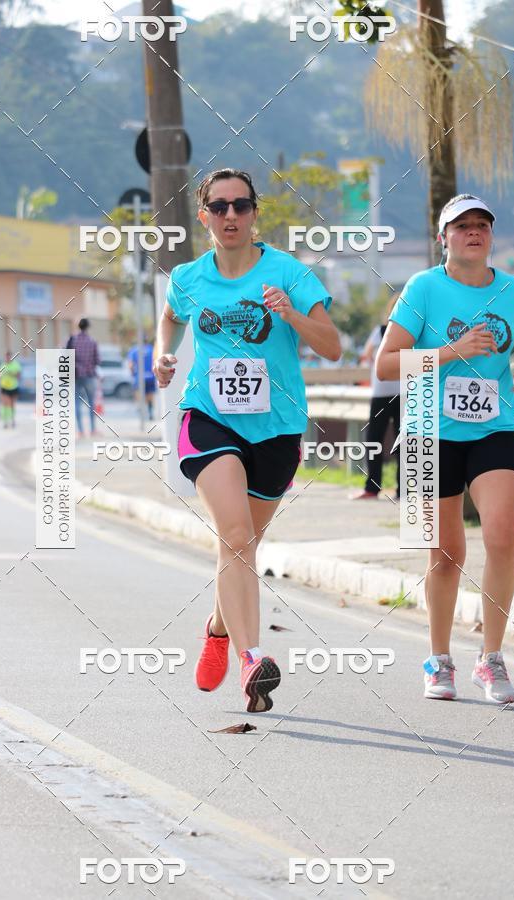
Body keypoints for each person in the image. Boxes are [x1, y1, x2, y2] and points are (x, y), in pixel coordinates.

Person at [153, 168, 341, 712]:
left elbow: (331, 346)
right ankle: (252, 659)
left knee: (242, 546)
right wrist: (162, 354)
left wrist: (291, 315)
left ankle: (217, 628)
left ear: (255, 212)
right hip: (209, 417)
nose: (230, 216)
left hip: (276, 429)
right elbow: (170, 319)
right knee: (233, 535)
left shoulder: (288, 273)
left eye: (240, 206)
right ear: (203, 214)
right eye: (219, 207)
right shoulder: (188, 277)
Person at [376, 193, 514, 704]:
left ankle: (491, 659)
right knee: (445, 554)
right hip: (427, 427)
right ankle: (439, 658)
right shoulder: (424, 287)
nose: (474, 232)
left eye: (482, 225)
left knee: (504, 536)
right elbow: (385, 365)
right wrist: (452, 351)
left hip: (496, 425)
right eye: (462, 225)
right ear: (443, 237)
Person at [353, 294, 401, 500]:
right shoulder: (385, 331)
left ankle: (377, 488)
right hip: (394, 394)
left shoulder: (381, 332)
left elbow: (366, 354)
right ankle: (389, 488)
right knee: (390, 442)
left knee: (381, 442)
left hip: (392, 393)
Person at [66, 318, 100, 437]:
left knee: (77, 403)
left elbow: (66, 357)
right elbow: (97, 360)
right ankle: (93, 430)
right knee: (91, 403)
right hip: (90, 375)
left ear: (78, 326)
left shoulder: (72, 340)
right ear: (88, 326)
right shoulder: (92, 341)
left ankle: (80, 431)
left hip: (76, 374)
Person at [127, 337, 156, 420]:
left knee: (139, 395)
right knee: (150, 394)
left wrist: (133, 374)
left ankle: (142, 412)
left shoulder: (134, 350)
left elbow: (131, 365)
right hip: (150, 376)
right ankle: (150, 412)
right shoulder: (151, 349)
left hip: (139, 377)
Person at [0, 351, 22, 428]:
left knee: (12, 405)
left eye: (8, 356)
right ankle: (6, 421)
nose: (7, 358)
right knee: (6, 404)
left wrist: (12, 374)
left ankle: (12, 419)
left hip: (13, 387)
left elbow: (19, 375)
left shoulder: (15, 365)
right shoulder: (2, 365)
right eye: (6, 357)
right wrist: (1, 375)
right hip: (4, 387)